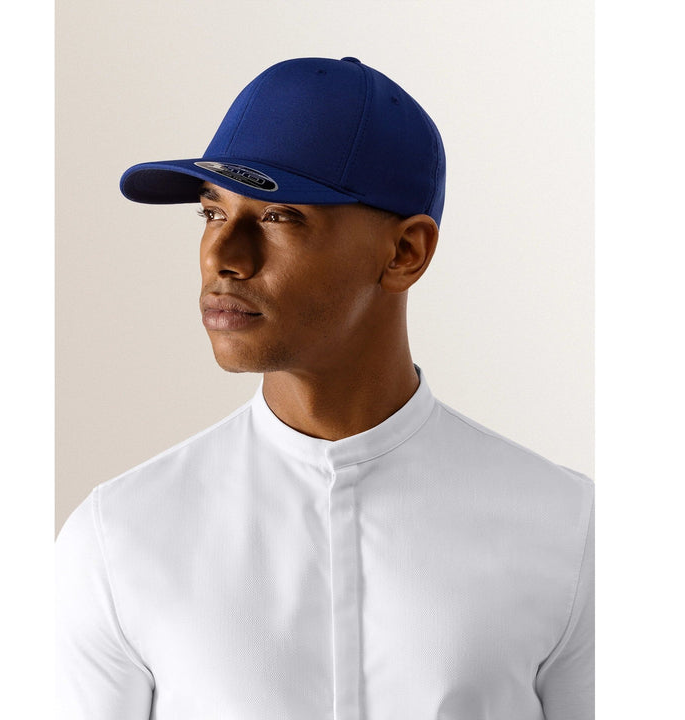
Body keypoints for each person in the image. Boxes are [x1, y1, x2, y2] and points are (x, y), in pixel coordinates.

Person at [55, 56, 594, 720]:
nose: (223, 256)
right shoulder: (119, 538)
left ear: (405, 253)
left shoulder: (568, 532)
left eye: (280, 217)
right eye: (211, 212)